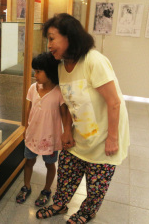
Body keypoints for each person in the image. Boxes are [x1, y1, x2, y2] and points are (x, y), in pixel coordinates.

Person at [36, 13, 130, 223]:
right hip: (81, 130)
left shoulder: (94, 61)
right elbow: (69, 101)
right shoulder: (61, 66)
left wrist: (113, 138)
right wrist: (67, 129)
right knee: (67, 169)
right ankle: (60, 204)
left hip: (107, 132)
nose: (49, 45)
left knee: (97, 181)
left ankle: (87, 211)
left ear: (69, 36)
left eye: (52, 38)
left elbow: (114, 102)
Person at [16, 52, 69, 207]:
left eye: (39, 71)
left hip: (50, 138)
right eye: (35, 71)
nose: (35, 74)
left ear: (50, 72)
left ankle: (46, 190)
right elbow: (29, 109)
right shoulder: (33, 88)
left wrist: (66, 132)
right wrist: (26, 127)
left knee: (49, 164)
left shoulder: (59, 92)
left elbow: (65, 115)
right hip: (32, 134)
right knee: (29, 161)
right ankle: (26, 186)